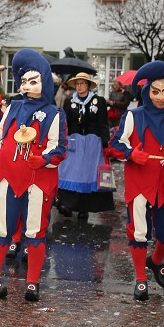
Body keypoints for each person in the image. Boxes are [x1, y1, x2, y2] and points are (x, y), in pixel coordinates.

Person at [0, 50, 67, 302]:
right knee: (1, 228)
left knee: (35, 231)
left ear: (45, 83)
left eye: (34, 81)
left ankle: (32, 283)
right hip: (8, 177)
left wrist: (44, 160)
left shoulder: (55, 113)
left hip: (38, 181)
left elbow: (60, 148)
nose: (27, 86)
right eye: (24, 81)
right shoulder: (12, 108)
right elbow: (1, 139)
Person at [109, 61, 164, 301]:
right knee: (139, 232)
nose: (161, 97)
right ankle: (140, 279)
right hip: (140, 182)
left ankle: (156, 260)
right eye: (155, 91)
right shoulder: (133, 116)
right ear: (147, 91)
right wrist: (130, 154)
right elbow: (115, 145)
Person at [56, 72, 114, 220]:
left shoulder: (98, 101)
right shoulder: (69, 101)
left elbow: (103, 123)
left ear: (88, 85)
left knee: (88, 174)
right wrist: (62, 140)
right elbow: (65, 123)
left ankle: (84, 209)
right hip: (74, 143)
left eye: (82, 83)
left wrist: (106, 144)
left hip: (92, 144)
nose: (79, 86)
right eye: (77, 84)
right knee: (70, 172)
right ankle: (67, 205)